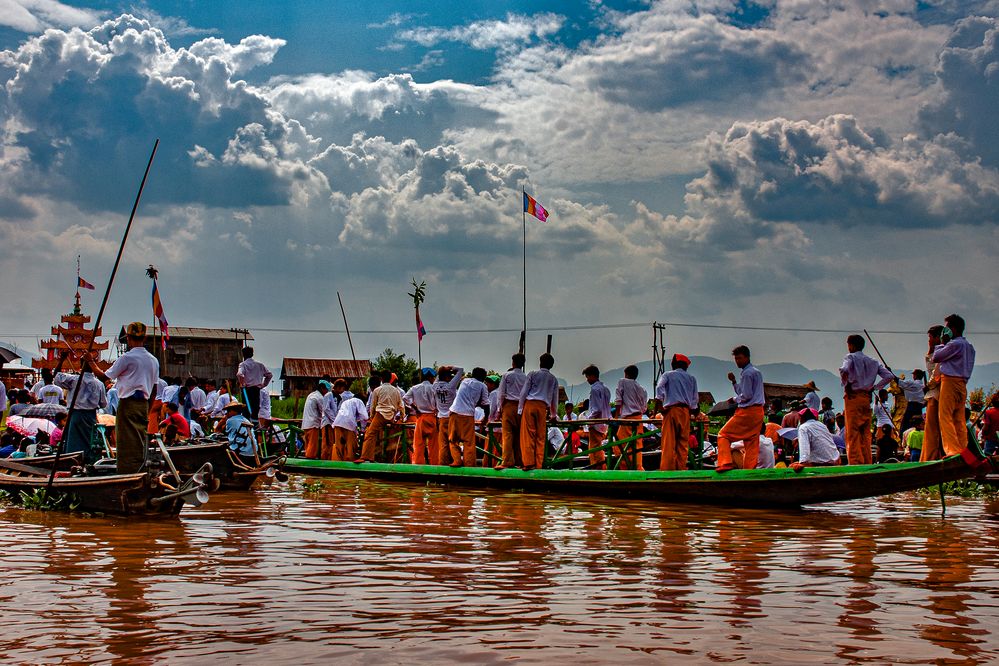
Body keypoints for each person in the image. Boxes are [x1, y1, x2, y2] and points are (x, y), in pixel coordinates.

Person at [88, 322, 159, 473]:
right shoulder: (153, 360)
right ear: (144, 338)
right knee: (139, 439)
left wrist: (91, 362)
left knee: (126, 441)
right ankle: (139, 469)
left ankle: (128, 473)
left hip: (128, 404)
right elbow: (154, 390)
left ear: (128, 338)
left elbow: (104, 376)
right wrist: (147, 409)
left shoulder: (127, 358)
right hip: (144, 404)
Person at [839, 334, 893, 465]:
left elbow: (844, 369)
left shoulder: (850, 357)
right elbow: (889, 376)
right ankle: (866, 461)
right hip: (866, 398)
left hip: (853, 397)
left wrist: (847, 385)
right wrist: (874, 387)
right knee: (865, 433)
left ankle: (856, 463)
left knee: (853, 433)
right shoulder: (873, 361)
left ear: (851, 345)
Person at [932, 314, 976, 457]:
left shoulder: (954, 344)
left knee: (945, 416)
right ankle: (963, 450)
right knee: (959, 418)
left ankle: (952, 450)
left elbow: (936, 357)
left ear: (952, 329)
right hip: (962, 384)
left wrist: (942, 343)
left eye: (946, 328)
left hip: (950, 381)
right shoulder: (969, 347)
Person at [716, 346, 765, 472]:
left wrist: (733, 399)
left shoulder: (748, 373)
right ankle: (749, 471)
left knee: (723, 435)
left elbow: (746, 396)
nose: (737, 361)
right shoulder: (756, 372)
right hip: (758, 412)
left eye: (740, 358)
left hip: (747, 412)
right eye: (736, 358)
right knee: (751, 442)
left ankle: (725, 462)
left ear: (747, 357)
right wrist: (733, 382)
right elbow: (743, 392)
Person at [54, 353, 108, 464]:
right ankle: (87, 462)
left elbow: (56, 376)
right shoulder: (98, 384)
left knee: (74, 442)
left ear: (81, 365)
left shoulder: (74, 380)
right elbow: (103, 404)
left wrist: (61, 360)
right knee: (88, 440)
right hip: (89, 416)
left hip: (76, 415)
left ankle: (73, 462)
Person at [654, 353, 698, 471]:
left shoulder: (668, 375)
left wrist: (660, 408)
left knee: (669, 443)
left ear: (674, 364)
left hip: (672, 410)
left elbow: (659, 389)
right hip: (686, 411)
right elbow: (695, 400)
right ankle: (681, 469)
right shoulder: (691, 378)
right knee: (683, 443)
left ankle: (667, 471)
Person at [518, 354, 560, 471]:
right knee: (541, 437)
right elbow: (554, 399)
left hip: (530, 405)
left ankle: (528, 463)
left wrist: (520, 409)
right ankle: (538, 464)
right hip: (543, 408)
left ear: (540, 362)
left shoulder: (533, 374)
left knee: (528, 435)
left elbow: (524, 392)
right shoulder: (553, 379)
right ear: (551, 365)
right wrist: (553, 415)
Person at [448, 367, 490, 467]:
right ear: (483, 377)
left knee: (453, 440)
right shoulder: (482, 386)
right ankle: (469, 465)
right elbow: (486, 404)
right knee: (469, 443)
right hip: (468, 415)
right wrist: (486, 417)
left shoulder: (465, 381)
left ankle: (457, 460)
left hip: (454, 412)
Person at [359, 371, 404, 463]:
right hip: (391, 416)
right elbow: (401, 406)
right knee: (391, 436)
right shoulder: (396, 391)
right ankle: (390, 458)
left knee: (370, 434)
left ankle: (366, 457)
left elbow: (373, 406)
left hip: (380, 415)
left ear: (381, 379)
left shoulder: (377, 390)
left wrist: (371, 417)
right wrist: (402, 418)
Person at [495, 354, 527, 470]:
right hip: (521, 407)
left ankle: (507, 461)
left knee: (507, 434)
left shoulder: (507, 375)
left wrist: (499, 410)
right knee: (519, 435)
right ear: (523, 364)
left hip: (509, 405)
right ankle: (520, 460)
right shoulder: (526, 377)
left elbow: (501, 394)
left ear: (512, 363)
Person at [614, 365, 648, 470]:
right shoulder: (642, 389)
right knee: (636, 446)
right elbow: (644, 408)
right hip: (638, 418)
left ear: (626, 374)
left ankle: (625, 468)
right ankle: (638, 468)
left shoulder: (622, 382)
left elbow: (618, 400)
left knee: (620, 446)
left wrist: (616, 416)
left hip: (627, 419)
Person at [404, 368, 439, 465]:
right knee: (434, 445)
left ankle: (418, 464)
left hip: (420, 417)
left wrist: (415, 408)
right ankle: (435, 464)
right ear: (430, 377)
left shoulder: (415, 388)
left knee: (418, 444)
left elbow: (405, 398)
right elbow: (438, 404)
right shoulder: (434, 388)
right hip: (432, 417)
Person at [921, 325, 945, 461]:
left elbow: (936, 374)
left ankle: (932, 458)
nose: (929, 341)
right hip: (933, 392)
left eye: (930, 338)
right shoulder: (933, 353)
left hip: (936, 393)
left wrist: (927, 386)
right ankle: (931, 456)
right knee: (932, 429)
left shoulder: (942, 352)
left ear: (937, 338)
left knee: (932, 430)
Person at [432, 366, 463, 466]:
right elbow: (461, 370)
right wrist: (450, 367)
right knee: (453, 441)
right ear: (446, 377)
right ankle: (456, 461)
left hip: (441, 417)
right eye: (449, 376)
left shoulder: (435, 386)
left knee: (443, 444)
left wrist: (442, 370)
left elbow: (438, 376)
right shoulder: (451, 386)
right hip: (451, 417)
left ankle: (443, 463)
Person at [581, 364, 610, 470]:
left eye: (588, 377)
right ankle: (602, 467)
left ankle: (598, 468)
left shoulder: (594, 389)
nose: (587, 380)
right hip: (604, 422)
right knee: (599, 447)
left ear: (593, 376)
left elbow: (596, 409)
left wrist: (589, 420)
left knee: (594, 449)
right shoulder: (605, 389)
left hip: (596, 422)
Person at [237, 346, 272, 419]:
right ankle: (255, 427)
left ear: (243, 355)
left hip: (247, 390)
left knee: (246, 410)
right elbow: (269, 375)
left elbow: (239, 374)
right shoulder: (260, 365)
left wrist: (242, 383)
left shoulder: (243, 364)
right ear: (252, 354)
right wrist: (263, 385)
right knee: (255, 409)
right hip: (256, 390)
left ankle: (247, 427)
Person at [332, 391, 368, 461]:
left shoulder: (346, 402)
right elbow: (365, 417)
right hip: (349, 424)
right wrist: (363, 429)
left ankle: (339, 464)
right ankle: (351, 463)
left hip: (338, 422)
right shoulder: (359, 401)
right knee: (351, 447)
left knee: (339, 447)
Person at [301, 381, 328, 459]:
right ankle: (310, 460)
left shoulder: (311, 395)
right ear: (322, 389)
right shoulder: (319, 397)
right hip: (313, 424)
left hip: (306, 423)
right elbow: (324, 411)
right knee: (313, 445)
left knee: (308, 444)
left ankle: (307, 457)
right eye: (326, 390)